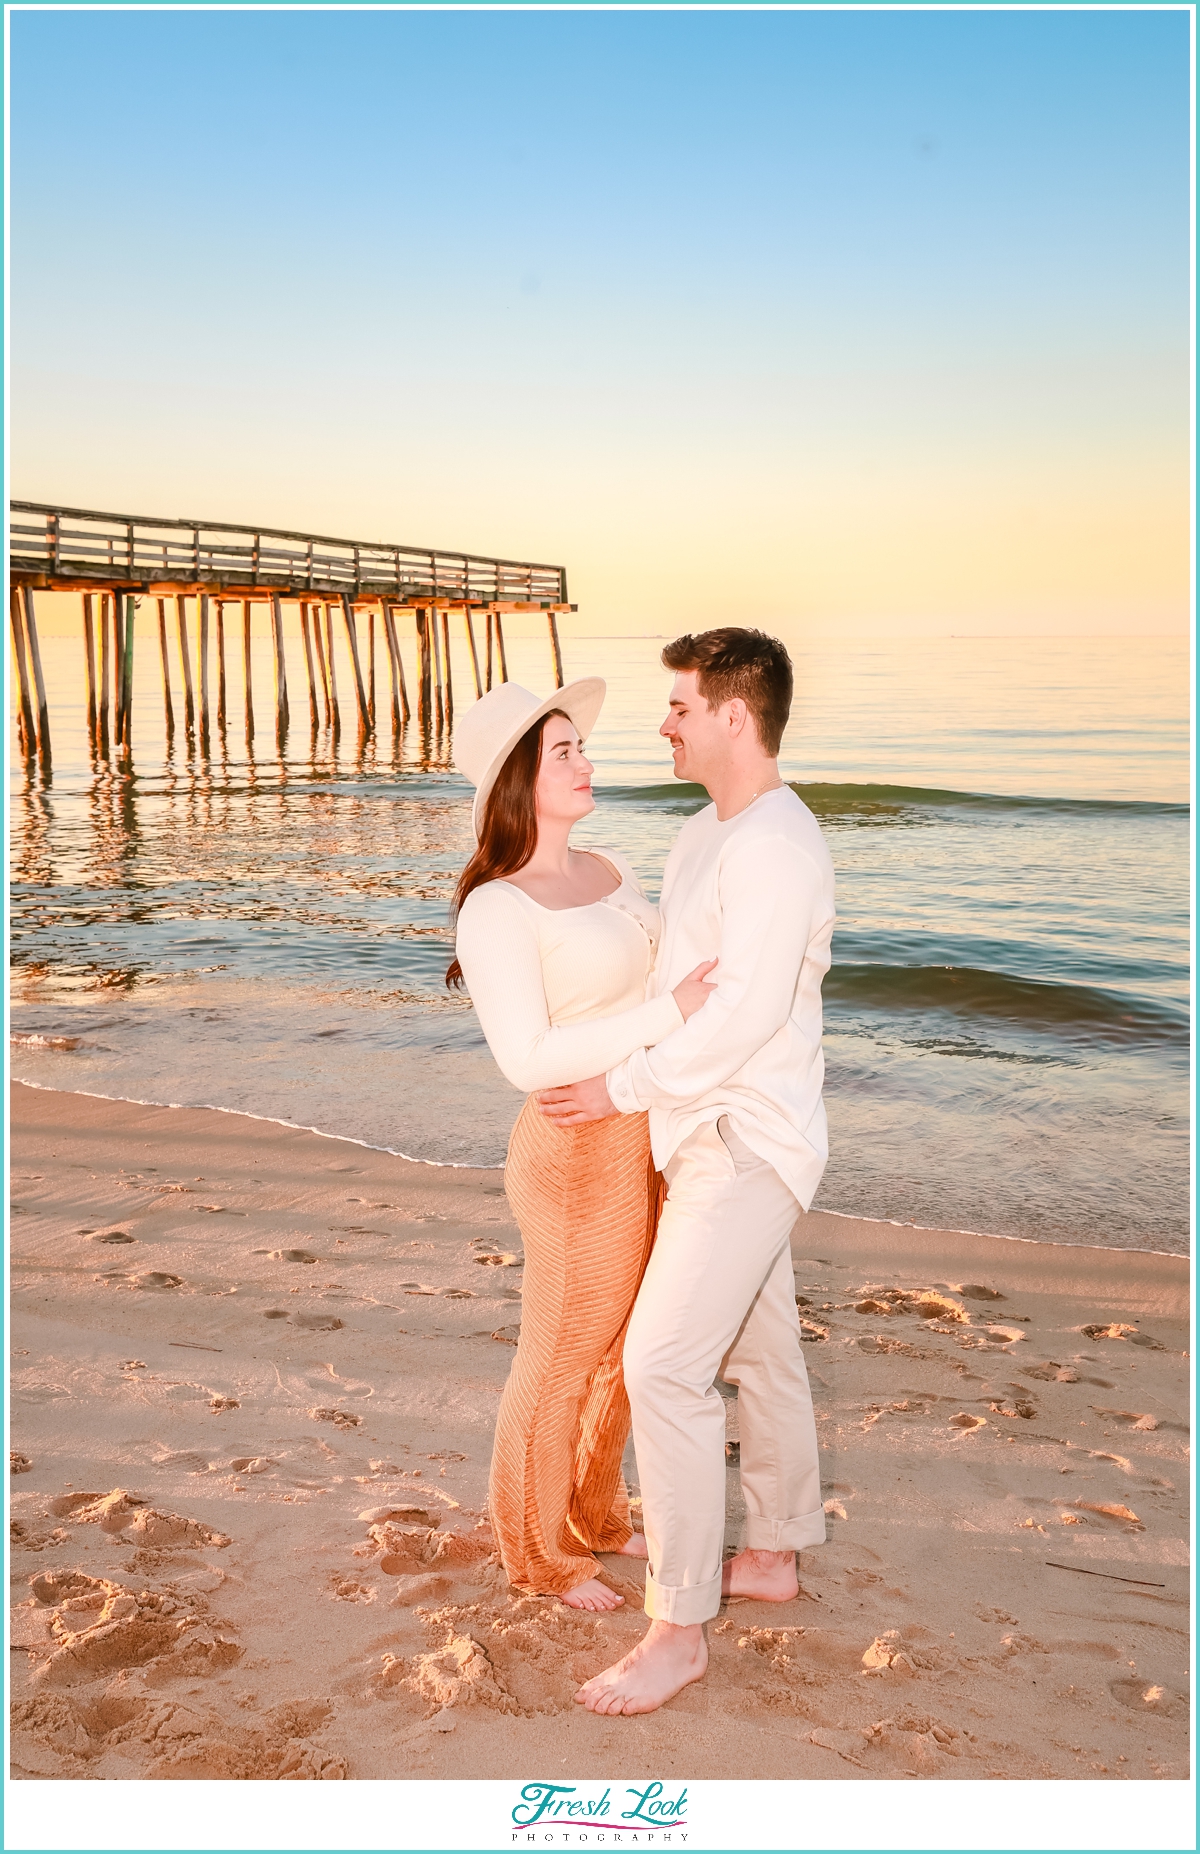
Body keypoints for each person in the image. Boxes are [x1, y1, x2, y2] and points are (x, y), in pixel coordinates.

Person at [537, 627, 836, 1713]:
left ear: (732, 717)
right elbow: (678, 975)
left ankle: (678, 1627)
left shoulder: (777, 847)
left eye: (678, 706)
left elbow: (748, 1013)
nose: (661, 723)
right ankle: (777, 1553)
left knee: (664, 1365)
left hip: (743, 1139)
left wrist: (618, 1091)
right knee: (764, 1353)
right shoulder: (707, 834)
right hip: (701, 1129)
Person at [449, 678, 718, 1612]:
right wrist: (669, 1012)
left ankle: (594, 1516)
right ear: (518, 780)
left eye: (579, 746)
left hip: (642, 1127)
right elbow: (527, 1057)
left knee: (631, 1347)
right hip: (571, 1151)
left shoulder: (606, 868)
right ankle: (536, 1551)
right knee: (562, 1353)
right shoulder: (497, 909)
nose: (587, 761)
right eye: (563, 751)